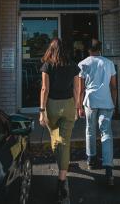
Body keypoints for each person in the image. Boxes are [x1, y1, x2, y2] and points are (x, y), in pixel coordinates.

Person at [39, 38, 80, 202]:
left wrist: (42, 111)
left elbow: (44, 89)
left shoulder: (47, 65)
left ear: (51, 49)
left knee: (55, 139)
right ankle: (62, 177)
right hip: (69, 105)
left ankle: (62, 173)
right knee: (65, 141)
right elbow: (77, 88)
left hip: (52, 106)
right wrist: (77, 107)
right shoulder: (73, 65)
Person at [77, 39, 117, 185]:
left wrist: (79, 106)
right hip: (106, 101)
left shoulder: (83, 64)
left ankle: (91, 158)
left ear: (88, 50)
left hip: (90, 101)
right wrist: (114, 103)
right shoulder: (109, 63)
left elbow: (81, 89)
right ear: (100, 49)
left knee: (90, 130)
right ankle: (109, 169)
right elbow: (113, 86)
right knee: (106, 132)